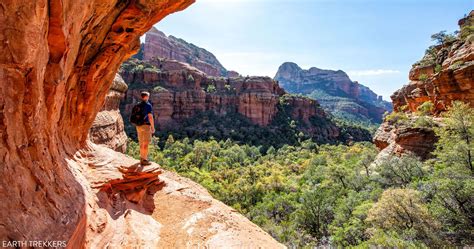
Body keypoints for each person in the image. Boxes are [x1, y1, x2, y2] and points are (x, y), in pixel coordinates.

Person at [135, 91, 155, 165]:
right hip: (146, 126)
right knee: (146, 143)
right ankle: (144, 160)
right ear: (146, 97)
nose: (149, 97)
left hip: (138, 125)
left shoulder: (138, 104)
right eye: (148, 96)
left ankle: (141, 158)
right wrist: (153, 127)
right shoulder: (148, 105)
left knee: (141, 142)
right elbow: (150, 117)